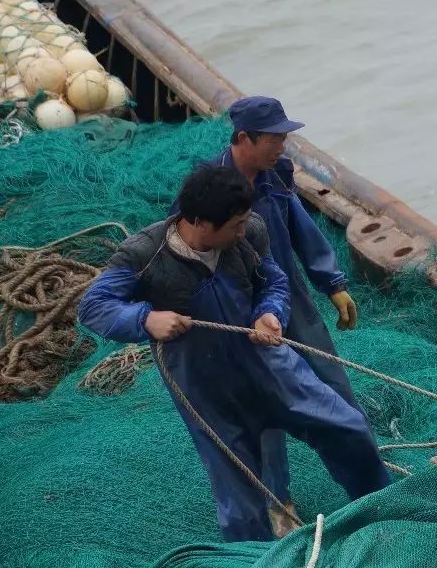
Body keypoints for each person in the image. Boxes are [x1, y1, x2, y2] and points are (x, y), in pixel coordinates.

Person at [79, 165, 391, 541]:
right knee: (240, 504)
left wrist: (270, 313)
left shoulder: (251, 231)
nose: (244, 231)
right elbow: (94, 307)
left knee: (348, 427)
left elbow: (272, 281)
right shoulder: (142, 254)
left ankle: (383, 513)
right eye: (235, 225)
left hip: (270, 367)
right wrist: (145, 319)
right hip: (206, 388)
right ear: (199, 223)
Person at [175, 95, 366, 527]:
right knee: (265, 409)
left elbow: (299, 226)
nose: (284, 145)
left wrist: (331, 282)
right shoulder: (210, 192)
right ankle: (279, 505)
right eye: (276, 138)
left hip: (290, 296)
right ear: (245, 138)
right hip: (241, 314)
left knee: (334, 382)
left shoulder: (275, 173)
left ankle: (368, 481)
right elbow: (188, 255)